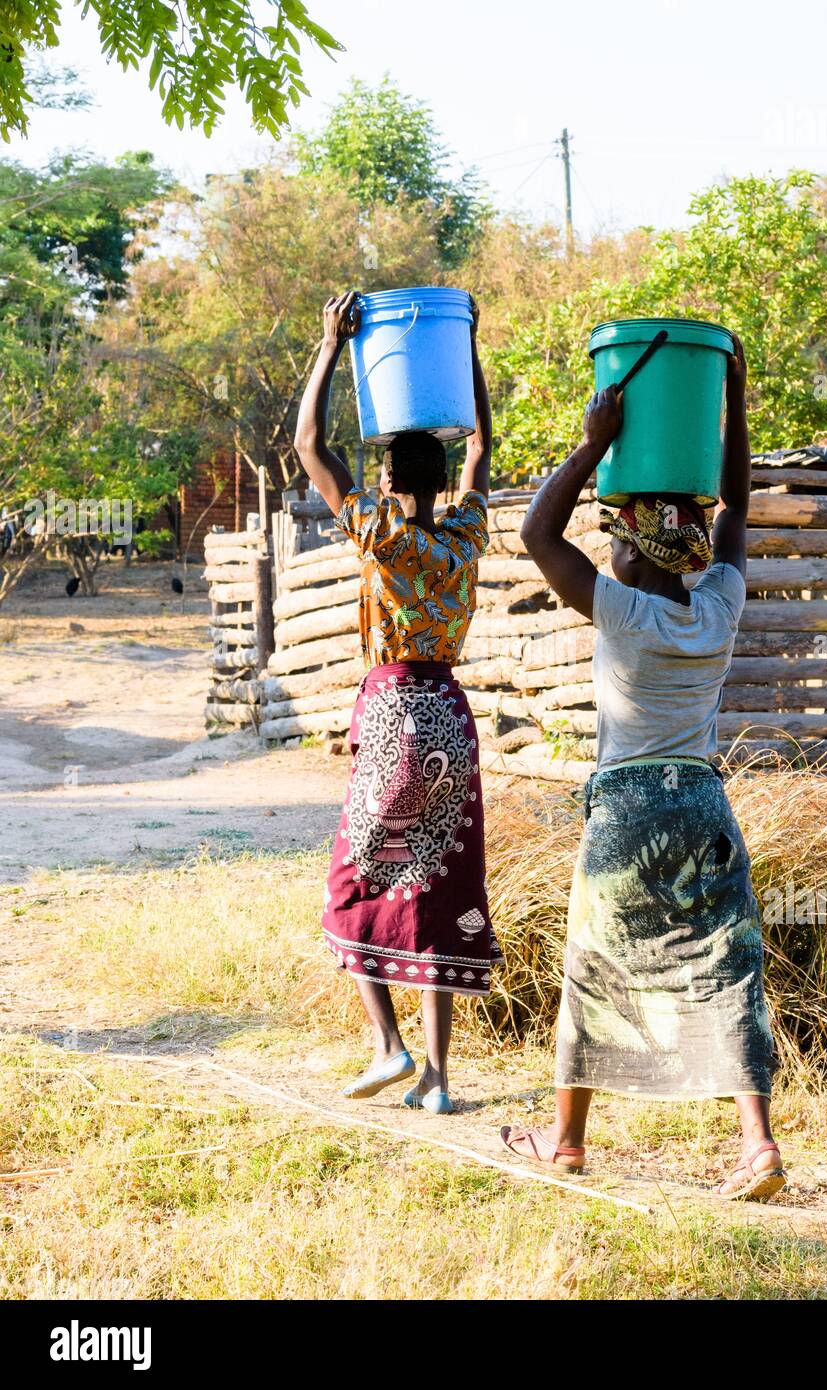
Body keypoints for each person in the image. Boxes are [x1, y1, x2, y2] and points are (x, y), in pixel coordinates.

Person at [501, 336, 784, 1200]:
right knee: (728, 966)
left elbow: (533, 532)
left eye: (619, 538)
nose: (610, 548)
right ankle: (758, 1146)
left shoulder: (618, 612)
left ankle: (566, 1140)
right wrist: (732, 396)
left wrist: (592, 443)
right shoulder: (718, 606)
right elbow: (734, 506)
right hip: (701, 804)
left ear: (637, 557)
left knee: (594, 966)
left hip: (625, 813)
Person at [293, 289, 500, 1116]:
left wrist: (332, 346)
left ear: (386, 477)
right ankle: (439, 1079)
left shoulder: (380, 530)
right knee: (436, 882)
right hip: (450, 712)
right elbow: (486, 441)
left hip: (390, 715)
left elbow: (309, 443)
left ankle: (387, 1047)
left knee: (359, 879)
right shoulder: (465, 532)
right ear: (446, 479)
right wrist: (468, 347)